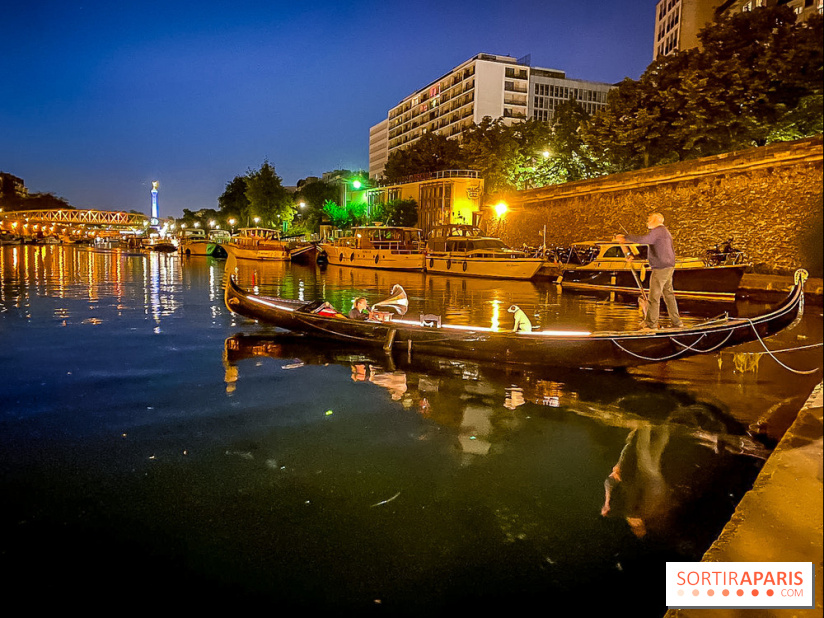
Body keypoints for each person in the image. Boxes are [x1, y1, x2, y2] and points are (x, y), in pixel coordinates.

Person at [615, 213, 683, 330]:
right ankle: (677, 323)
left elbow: (644, 240)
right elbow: (651, 248)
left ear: (657, 220)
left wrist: (625, 237)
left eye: (649, 219)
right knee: (668, 295)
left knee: (654, 297)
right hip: (668, 267)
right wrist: (634, 256)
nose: (647, 221)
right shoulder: (664, 232)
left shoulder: (659, 231)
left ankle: (651, 325)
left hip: (661, 268)